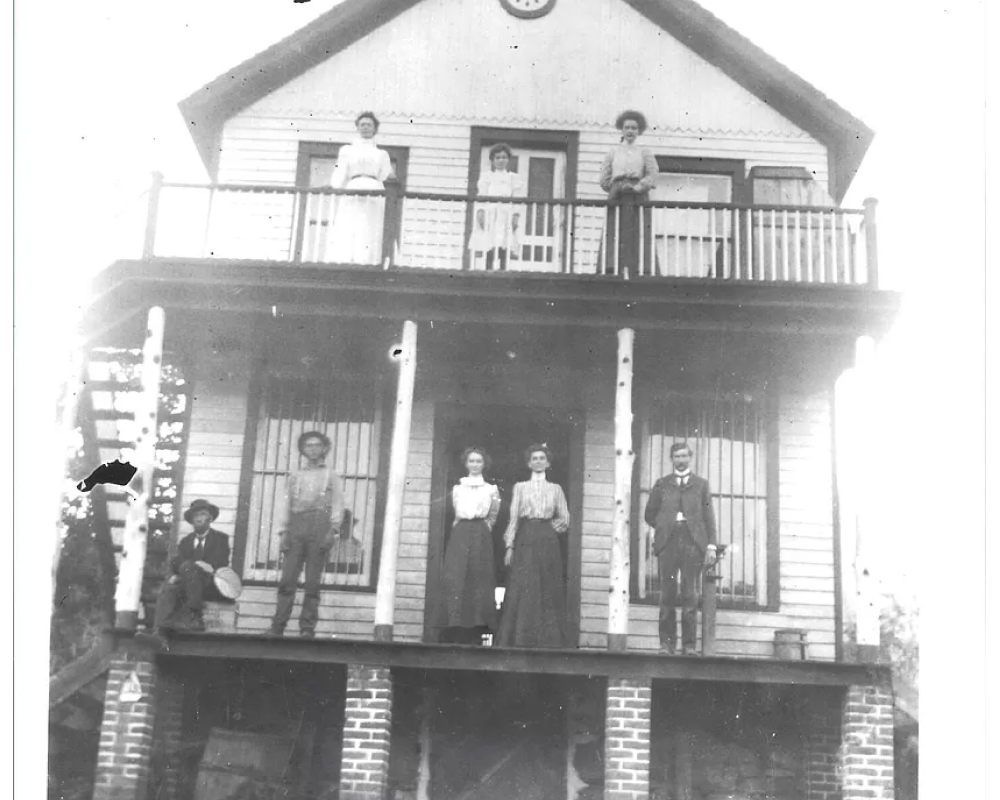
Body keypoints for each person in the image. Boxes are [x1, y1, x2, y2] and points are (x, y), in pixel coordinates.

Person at [268, 431, 346, 638]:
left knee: (312, 582)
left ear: (324, 449)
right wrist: (283, 531)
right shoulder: (295, 476)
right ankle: (278, 626)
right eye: (308, 445)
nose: (313, 449)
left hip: (320, 526)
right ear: (302, 449)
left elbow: (338, 504)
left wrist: (333, 530)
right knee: (287, 579)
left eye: (317, 445)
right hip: (296, 526)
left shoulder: (332, 476)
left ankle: (307, 627)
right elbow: (285, 504)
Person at [644, 442, 718, 655]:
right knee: (666, 595)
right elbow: (649, 514)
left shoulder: (701, 485)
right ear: (672, 459)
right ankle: (666, 645)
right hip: (668, 542)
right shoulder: (662, 484)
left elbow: (709, 517)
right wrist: (665, 525)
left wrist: (711, 545)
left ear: (690, 458)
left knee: (690, 595)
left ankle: (689, 646)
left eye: (685, 456)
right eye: (677, 456)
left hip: (692, 542)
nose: (681, 460)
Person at [498, 444, 570, 648]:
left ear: (548, 463)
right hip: (526, 536)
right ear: (529, 463)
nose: (538, 461)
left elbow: (565, 518)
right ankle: (520, 638)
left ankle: (548, 641)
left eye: (542, 458)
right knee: (524, 584)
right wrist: (510, 546)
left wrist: (547, 530)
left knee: (547, 584)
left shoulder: (555, 489)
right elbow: (514, 517)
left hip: (547, 538)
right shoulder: (520, 487)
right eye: (534, 458)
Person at [436, 447, 501, 644]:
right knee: (457, 576)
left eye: (478, 461)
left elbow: (493, 514)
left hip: (481, 533)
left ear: (484, 464)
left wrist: (483, 528)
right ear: (465, 464)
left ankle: (478, 626)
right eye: (471, 461)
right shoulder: (458, 489)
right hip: (461, 533)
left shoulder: (491, 489)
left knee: (478, 577)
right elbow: (455, 514)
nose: (475, 465)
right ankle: (454, 626)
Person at [148, 499, 231, 640]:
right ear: (192, 521)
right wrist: (174, 575)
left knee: (188, 566)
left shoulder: (220, 539)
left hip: (211, 583)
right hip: (189, 582)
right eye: (195, 515)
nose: (199, 518)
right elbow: (177, 564)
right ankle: (159, 630)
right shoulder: (186, 542)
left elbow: (222, 564)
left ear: (210, 518)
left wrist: (207, 567)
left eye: (203, 514)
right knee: (169, 588)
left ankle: (194, 616)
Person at [326, 111, 393, 265]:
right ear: (357, 127)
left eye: (369, 125)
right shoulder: (347, 150)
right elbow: (340, 171)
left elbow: (385, 175)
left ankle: (371, 261)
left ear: (375, 128)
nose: (365, 127)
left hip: (374, 190)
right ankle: (347, 259)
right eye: (362, 124)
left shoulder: (382, 154)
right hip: (353, 188)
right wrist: (334, 185)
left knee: (370, 225)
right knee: (351, 223)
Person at [598, 109, 659, 275]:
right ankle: (611, 266)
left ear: (639, 131)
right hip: (617, 196)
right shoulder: (613, 152)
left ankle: (640, 268)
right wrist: (616, 186)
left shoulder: (644, 152)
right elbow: (603, 179)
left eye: (634, 128)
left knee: (638, 230)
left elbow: (653, 175)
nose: (630, 131)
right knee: (615, 230)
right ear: (622, 130)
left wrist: (638, 186)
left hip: (638, 195)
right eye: (627, 127)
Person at [468, 143, 525, 271]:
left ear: (508, 159)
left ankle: (503, 271)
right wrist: (480, 211)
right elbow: (482, 195)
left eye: (504, 157)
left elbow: (517, 198)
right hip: (491, 214)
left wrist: (516, 215)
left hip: (506, 214)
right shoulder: (487, 177)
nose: (501, 160)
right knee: (490, 242)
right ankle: (488, 271)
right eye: (497, 157)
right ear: (492, 160)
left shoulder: (513, 178)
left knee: (505, 242)